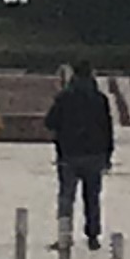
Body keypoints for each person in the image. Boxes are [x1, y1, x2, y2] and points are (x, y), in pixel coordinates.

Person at [43, 59, 115, 248]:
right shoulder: (100, 98)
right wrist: (108, 155)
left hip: (69, 153)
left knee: (66, 195)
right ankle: (93, 236)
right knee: (92, 196)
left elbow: (50, 122)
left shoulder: (64, 97)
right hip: (95, 154)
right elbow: (107, 128)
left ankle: (64, 235)